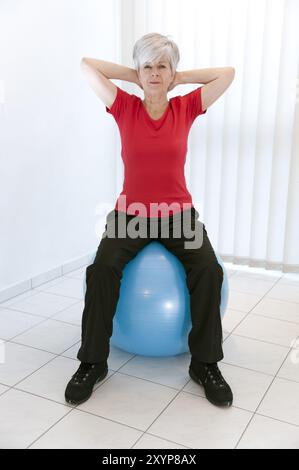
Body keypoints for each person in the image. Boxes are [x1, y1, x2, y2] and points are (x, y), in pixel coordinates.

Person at [65, 33, 235, 408]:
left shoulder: (186, 107)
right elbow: (86, 66)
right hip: (132, 215)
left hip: (178, 214)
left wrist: (177, 75)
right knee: (102, 268)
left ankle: (205, 365)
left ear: (171, 72)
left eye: (162, 66)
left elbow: (227, 73)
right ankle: (92, 363)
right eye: (148, 66)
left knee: (208, 269)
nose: (155, 73)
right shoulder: (124, 106)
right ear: (138, 73)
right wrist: (136, 73)